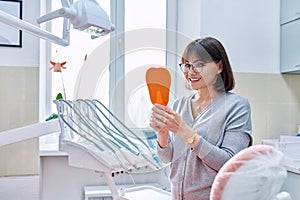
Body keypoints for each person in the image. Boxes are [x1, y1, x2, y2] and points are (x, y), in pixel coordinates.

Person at [149, 37, 252, 200]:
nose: (191, 71)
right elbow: (167, 158)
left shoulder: (236, 106)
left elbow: (229, 163)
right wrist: (162, 134)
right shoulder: (178, 105)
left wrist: (184, 131)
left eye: (199, 64)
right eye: (187, 65)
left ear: (219, 66)